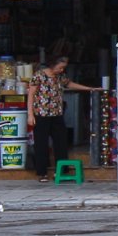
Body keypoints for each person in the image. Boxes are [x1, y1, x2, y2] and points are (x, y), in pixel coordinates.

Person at [29, 53, 95, 181]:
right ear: (53, 65)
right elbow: (31, 95)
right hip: (41, 114)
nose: (62, 70)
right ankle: (42, 173)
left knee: (61, 142)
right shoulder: (39, 76)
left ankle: (61, 170)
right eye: (60, 67)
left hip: (57, 113)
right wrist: (30, 115)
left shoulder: (60, 76)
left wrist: (89, 89)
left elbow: (69, 84)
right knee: (41, 143)